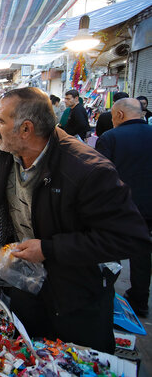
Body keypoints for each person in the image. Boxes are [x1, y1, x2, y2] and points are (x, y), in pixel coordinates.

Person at [0, 87, 151, 353]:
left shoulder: (87, 170)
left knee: (74, 360)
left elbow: (130, 238)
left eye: (0, 120)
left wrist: (48, 249)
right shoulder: (8, 149)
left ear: (26, 129)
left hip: (75, 294)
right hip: (26, 282)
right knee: (27, 353)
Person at [96, 98, 152, 318]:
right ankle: (140, 300)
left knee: (112, 250)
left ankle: (105, 293)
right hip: (148, 205)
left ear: (118, 115)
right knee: (142, 250)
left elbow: (99, 175)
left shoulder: (110, 137)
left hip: (119, 204)